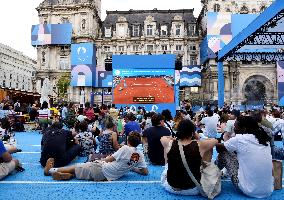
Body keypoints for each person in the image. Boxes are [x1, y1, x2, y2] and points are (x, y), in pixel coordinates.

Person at [45, 132, 148, 181]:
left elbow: (109, 159)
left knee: (77, 166)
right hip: (106, 178)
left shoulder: (125, 148)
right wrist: (131, 168)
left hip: (101, 169)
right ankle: (68, 175)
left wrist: (99, 160)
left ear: (128, 140)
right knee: (81, 172)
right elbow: (145, 172)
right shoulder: (140, 155)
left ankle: (51, 170)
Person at [216, 116, 273, 198]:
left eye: (235, 127)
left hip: (248, 190)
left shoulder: (239, 139)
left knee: (224, 154)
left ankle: (211, 173)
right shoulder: (264, 139)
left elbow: (219, 149)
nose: (234, 129)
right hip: (267, 190)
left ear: (244, 129)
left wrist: (214, 142)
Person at [160, 119, 218, 195]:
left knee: (167, 149)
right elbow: (214, 140)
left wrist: (175, 138)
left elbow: (163, 137)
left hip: (171, 187)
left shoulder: (169, 143)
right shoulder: (200, 145)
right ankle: (206, 168)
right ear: (192, 132)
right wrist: (198, 137)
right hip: (193, 189)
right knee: (208, 149)